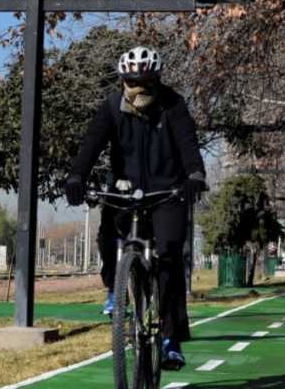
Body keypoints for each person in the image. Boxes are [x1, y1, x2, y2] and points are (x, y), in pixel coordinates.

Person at [63, 46, 205, 371]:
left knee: (169, 259)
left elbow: (188, 144)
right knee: (106, 231)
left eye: (146, 83)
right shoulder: (113, 107)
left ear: (157, 81)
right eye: (132, 82)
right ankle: (114, 288)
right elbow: (92, 143)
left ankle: (171, 340)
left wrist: (195, 175)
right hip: (125, 189)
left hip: (167, 192)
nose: (138, 90)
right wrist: (76, 175)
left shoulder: (173, 105)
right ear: (123, 80)